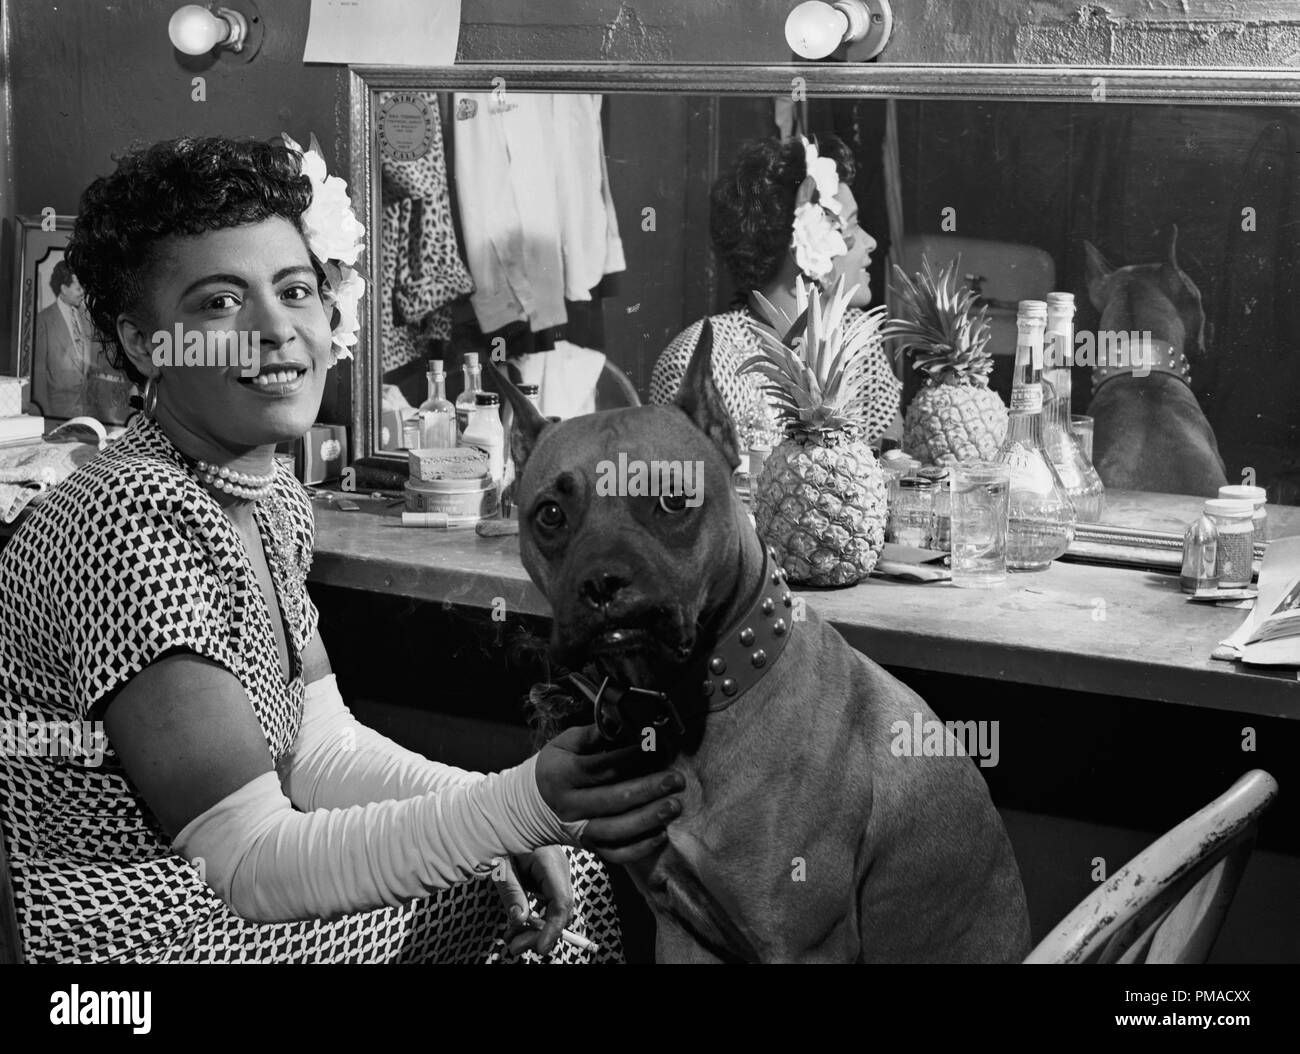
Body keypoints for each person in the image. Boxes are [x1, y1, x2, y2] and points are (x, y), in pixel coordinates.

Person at [0, 136, 683, 964]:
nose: (277, 330)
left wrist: (495, 812)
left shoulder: (270, 493)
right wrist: (513, 809)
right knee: (551, 928)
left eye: (295, 290)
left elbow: (321, 753)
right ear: (146, 346)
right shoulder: (128, 516)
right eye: (220, 304)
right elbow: (249, 862)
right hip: (143, 947)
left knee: (551, 878)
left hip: (222, 906)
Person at [650, 135, 902, 449]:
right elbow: (687, 490)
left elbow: (898, 468)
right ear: (809, 247)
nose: (871, 242)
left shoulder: (856, 341)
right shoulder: (701, 362)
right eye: (852, 225)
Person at [31, 260, 94, 419]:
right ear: (64, 289)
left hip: (87, 412)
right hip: (57, 412)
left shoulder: (86, 317)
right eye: (78, 288)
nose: (83, 292)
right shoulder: (43, 320)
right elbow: (38, 373)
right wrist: (45, 416)